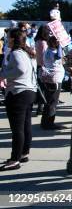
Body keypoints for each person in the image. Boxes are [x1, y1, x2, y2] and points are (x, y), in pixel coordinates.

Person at [0, 29, 37, 171]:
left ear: (13, 39)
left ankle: (15, 159)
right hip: (28, 91)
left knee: (17, 129)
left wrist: (3, 74)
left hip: (18, 93)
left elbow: (20, 70)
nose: (6, 39)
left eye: (7, 37)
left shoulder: (16, 53)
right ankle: (23, 153)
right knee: (26, 126)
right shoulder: (27, 53)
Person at [40, 35, 64, 130]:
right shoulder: (52, 52)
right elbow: (59, 56)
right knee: (52, 102)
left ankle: (45, 122)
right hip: (54, 79)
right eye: (57, 42)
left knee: (49, 101)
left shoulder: (49, 51)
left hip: (52, 78)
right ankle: (49, 123)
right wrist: (60, 47)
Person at [34, 25, 50, 116]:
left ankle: (39, 108)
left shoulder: (37, 41)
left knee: (40, 87)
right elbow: (45, 56)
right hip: (43, 66)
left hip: (38, 65)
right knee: (43, 88)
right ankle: (40, 108)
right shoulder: (43, 43)